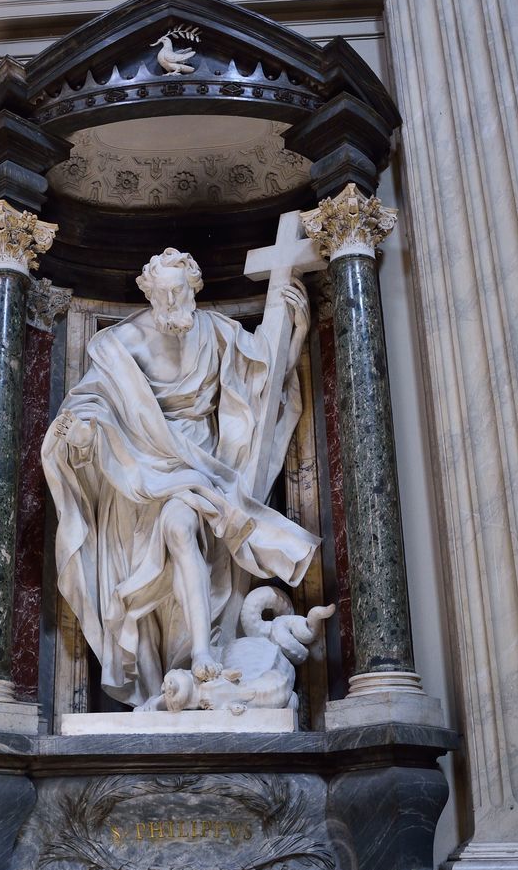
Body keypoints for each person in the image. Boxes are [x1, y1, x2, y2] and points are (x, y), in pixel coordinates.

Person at [42, 248, 318, 708]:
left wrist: (300, 332)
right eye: (163, 294)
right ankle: (166, 691)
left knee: (180, 524)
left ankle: (205, 656)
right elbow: (88, 411)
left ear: (194, 290)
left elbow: (265, 388)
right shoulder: (120, 344)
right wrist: (84, 436)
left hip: (206, 471)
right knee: (158, 581)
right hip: (140, 478)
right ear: (148, 293)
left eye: (180, 292)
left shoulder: (216, 332)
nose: (172, 302)